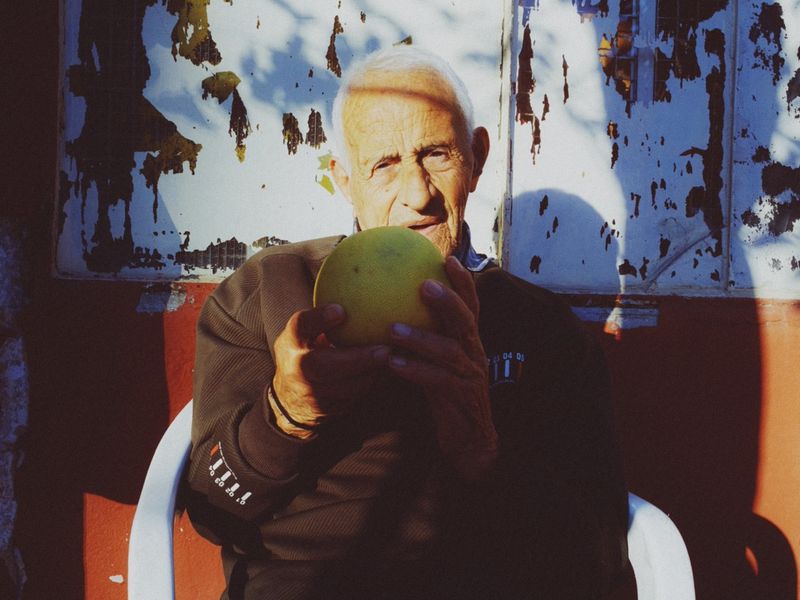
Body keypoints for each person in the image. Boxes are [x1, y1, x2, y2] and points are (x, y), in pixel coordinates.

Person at [185, 46, 629, 599]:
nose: (417, 194)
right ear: (344, 181)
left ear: (476, 157)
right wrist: (287, 416)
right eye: (384, 165)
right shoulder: (269, 293)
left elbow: (601, 554)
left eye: (437, 155)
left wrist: (482, 448)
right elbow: (214, 512)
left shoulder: (540, 327)